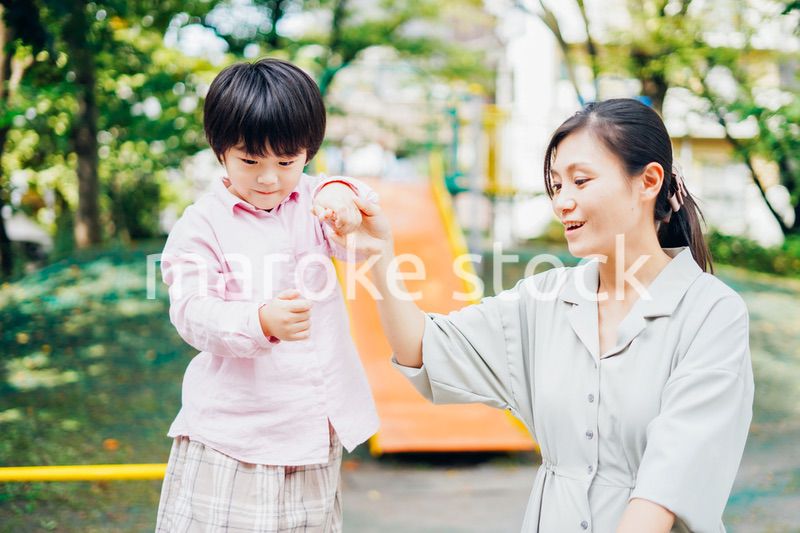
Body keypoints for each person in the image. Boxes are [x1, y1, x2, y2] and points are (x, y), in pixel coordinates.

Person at [346, 98, 754, 532]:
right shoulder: (544, 299)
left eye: (581, 181)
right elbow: (423, 348)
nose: (563, 202)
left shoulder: (712, 313)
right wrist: (379, 257)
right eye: (557, 186)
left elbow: (667, 484)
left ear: (648, 181)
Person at [155, 57, 379, 532]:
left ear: (308, 153)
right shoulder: (202, 225)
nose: (270, 178)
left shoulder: (316, 201)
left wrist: (345, 198)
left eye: (287, 161)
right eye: (251, 161)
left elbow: (362, 247)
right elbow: (192, 311)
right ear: (221, 152)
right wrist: (257, 322)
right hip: (234, 436)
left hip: (313, 428)